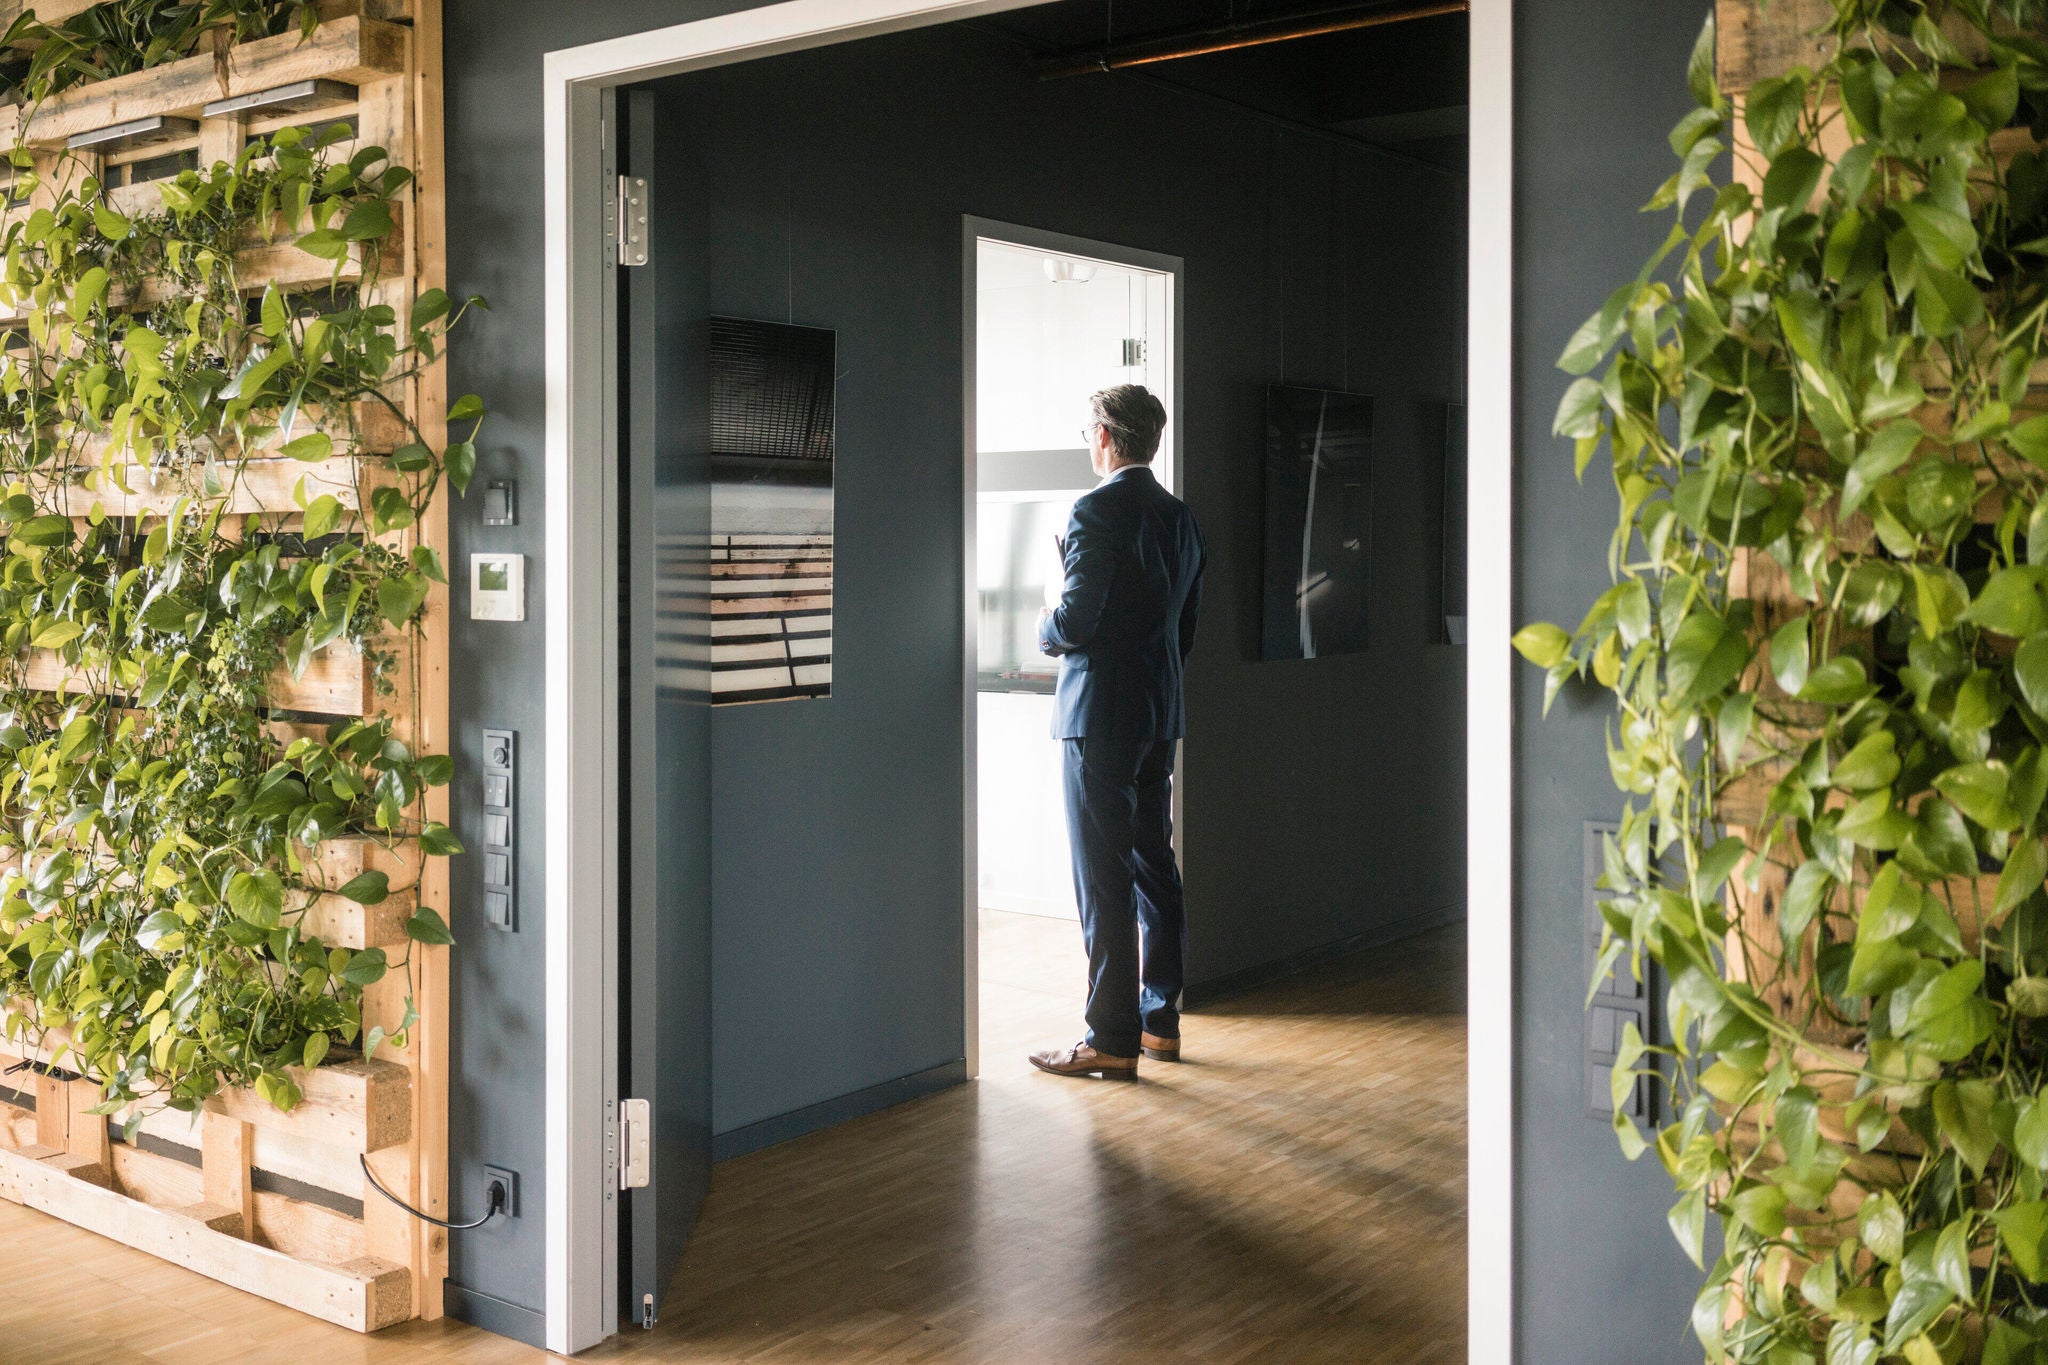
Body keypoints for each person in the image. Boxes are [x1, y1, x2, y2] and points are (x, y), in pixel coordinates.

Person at [1030, 384, 1206, 1081]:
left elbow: (1072, 622)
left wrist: (1042, 615)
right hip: (1158, 712)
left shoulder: (1094, 509)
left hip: (1096, 716)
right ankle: (1160, 1022)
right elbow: (1183, 631)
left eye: (1088, 433)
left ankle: (1109, 1036)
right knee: (1152, 865)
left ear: (1105, 435)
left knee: (1100, 876)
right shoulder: (1181, 518)